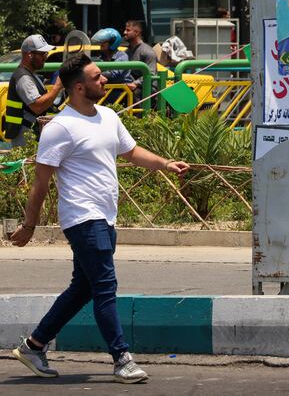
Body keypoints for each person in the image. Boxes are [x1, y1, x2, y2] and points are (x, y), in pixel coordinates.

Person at [9, 53, 190, 384]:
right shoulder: (60, 127)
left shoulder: (108, 116)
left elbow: (131, 152)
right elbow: (41, 183)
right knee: (105, 286)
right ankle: (121, 358)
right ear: (79, 87)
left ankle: (34, 345)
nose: (104, 80)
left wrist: (165, 163)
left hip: (106, 216)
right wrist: (29, 225)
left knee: (84, 287)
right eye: (97, 77)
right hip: (81, 217)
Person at [3, 35, 63, 148]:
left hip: (31, 135)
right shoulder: (24, 78)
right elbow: (37, 106)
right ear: (29, 54)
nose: (46, 57)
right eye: (42, 53)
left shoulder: (31, 75)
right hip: (26, 138)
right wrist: (58, 86)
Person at [122, 20, 157, 105]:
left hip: (148, 89)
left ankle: (138, 117)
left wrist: (136, 83)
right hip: (131, 87)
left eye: (128, 30)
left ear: (137, 32)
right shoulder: (126, 52)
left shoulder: (147, 51)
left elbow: (151, 73)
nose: (124, 32)